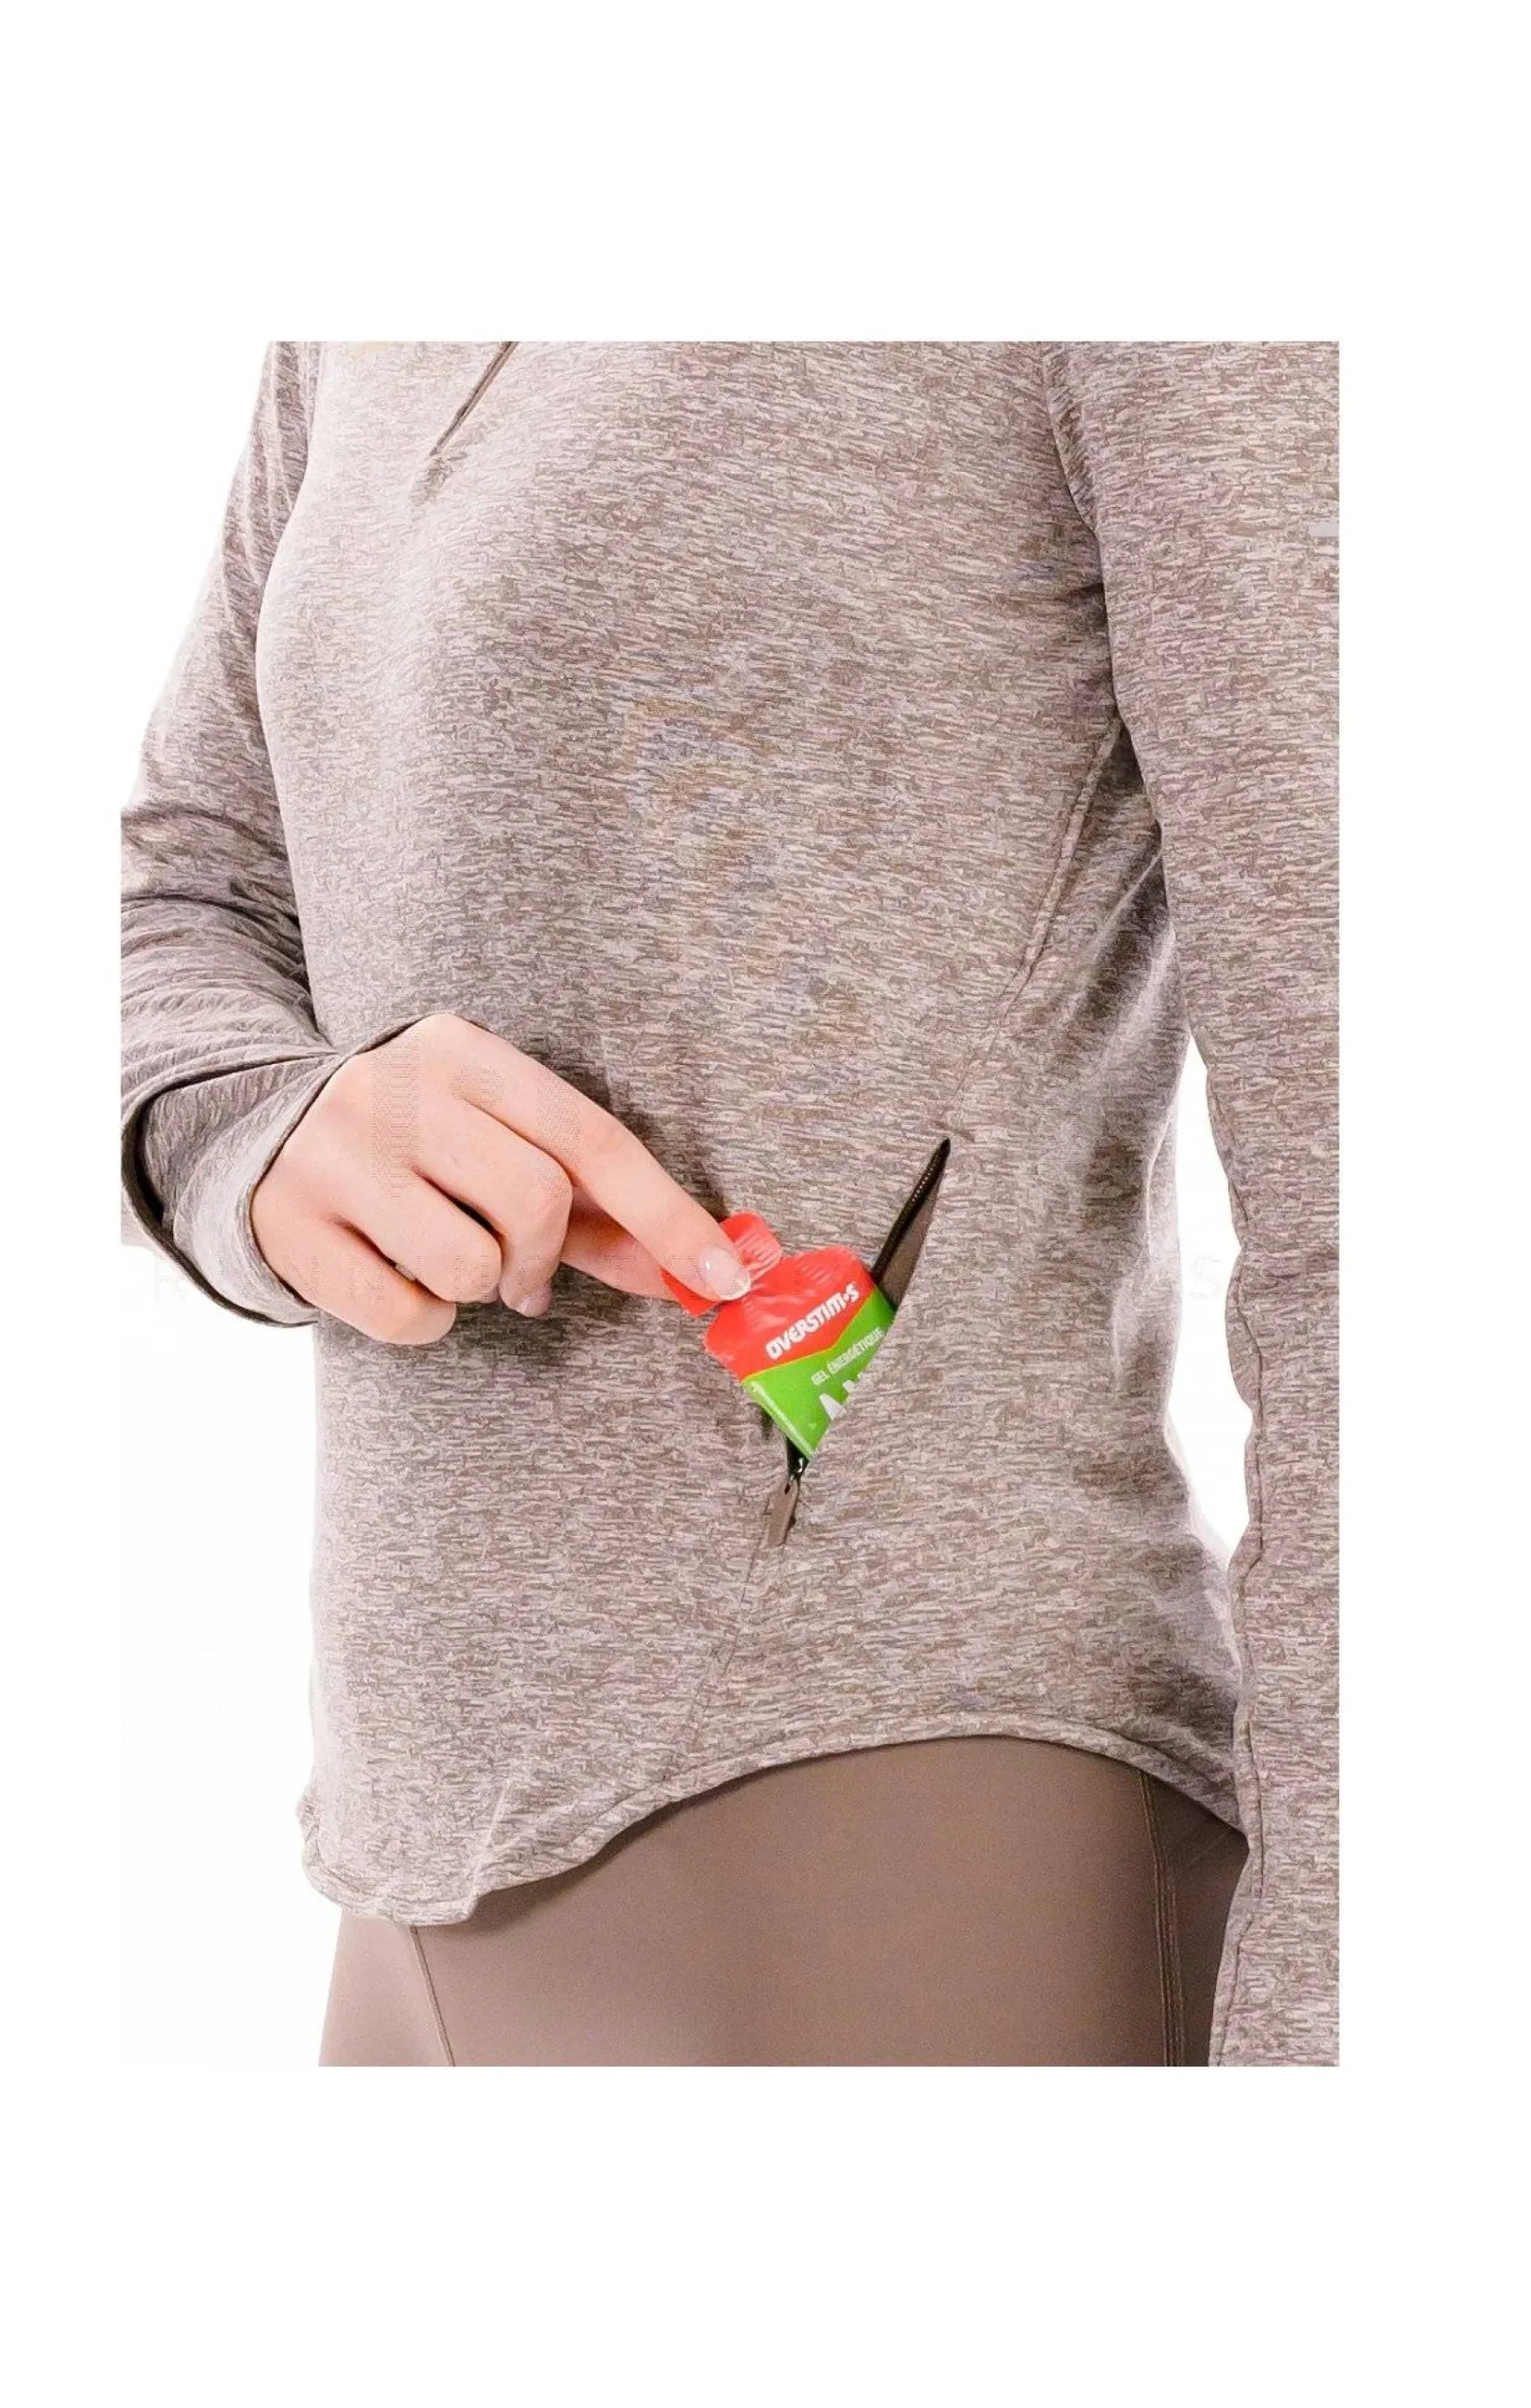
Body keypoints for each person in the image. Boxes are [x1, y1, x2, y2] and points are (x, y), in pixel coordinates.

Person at [121, 341, 1336, 2066]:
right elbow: (188, 880)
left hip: (920, 1794)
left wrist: (1344, 2033)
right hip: (413, 1828)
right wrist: (259, 1127)